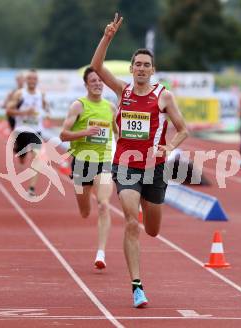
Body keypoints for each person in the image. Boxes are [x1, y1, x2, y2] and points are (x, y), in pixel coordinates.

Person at [90, 13, 189, 308]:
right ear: (132, 69)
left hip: (154, 169)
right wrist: (107, 36)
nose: (142, 69)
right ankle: (137, 286)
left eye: (147, 65)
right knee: (132, 223)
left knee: (153, 230)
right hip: (125, 165)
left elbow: (184, 130)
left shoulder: (164, 97)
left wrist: (168, 146)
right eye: (138, 65)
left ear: (153, 70)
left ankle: (148, 206)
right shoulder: (124, 91)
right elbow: (96, 67)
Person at [59, 67, 117, 270]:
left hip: (103, 162)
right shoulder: (78, 106)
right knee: (85, 211)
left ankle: (101, 253)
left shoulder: (110, 108)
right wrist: (85, 132)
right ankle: (85, 206)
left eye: (100, 80)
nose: (98, 83)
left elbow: (118, 134)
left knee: (104, 205)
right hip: (81, 162)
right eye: (93, 80)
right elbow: (63, 135)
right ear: (86, 85)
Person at [6, 69, 49, 196]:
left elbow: (45, 108)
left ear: (37, 81)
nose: (32, 81)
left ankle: (31, 188)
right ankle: (21, 157)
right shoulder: (20, 94)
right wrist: (24, 113)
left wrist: (45, 111)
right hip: (21, 130)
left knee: (38, 156)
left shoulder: (41, 95)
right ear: (26, 81)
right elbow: (9, 111)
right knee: (22, 156)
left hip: (36, 130)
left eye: (34, 79)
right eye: (29, 79)